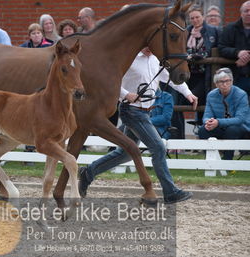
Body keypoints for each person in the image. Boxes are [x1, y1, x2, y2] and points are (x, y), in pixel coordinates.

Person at [79, 47, 198, 204]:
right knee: (158, 148)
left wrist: (187, 93)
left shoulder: (155, 60)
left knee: (125, 153)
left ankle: (88, 172)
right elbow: (110, 80)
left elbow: (169, 78)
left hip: (145, 112)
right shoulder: (129, 58)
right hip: (132, 111)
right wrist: (126, 94)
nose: (151, 47)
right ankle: (170, 192)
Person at [198, 68, 250, 160]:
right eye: (221, 82)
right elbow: (206, 116)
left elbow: (240, 119)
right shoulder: (211, 95)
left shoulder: (241, 94)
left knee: (231, 130)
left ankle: (227, 161)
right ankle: (211, 160)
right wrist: (208, 122)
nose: (225, 84)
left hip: (241, 127)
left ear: (232, 81)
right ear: (216, 84)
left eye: (227, 81)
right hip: (220, 126)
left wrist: (218, 122)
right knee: (203, 130)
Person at [186, 5, 219, 124]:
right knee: (190, 98)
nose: (195, 20)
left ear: (203, 17)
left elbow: (212, 50)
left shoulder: (213, 30)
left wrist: (194, 56)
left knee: (199, 97)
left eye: (197, 17)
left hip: (206, 73)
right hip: (189, 73)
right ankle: (198, 123)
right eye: (192, 18)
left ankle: (201, 123)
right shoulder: (187, 31)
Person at [218, 1, 250, 97]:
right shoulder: (230, 28)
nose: (249, 13)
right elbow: (221, 48)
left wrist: (246, 58)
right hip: (236, 78)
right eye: (246, 11)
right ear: (241, 13)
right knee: (236, 108)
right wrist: (237, 53)